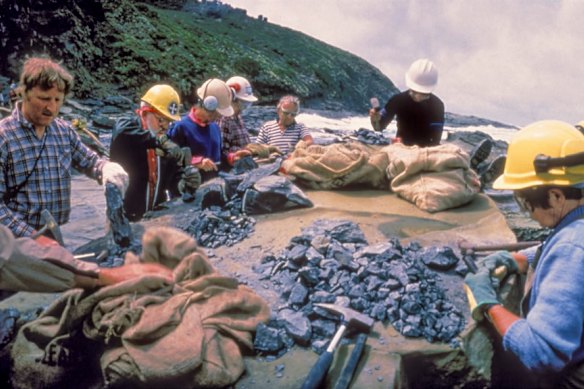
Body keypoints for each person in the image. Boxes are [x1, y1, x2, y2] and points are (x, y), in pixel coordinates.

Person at [464, 120, 584, 387]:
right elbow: (554, 245)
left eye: (524, 202)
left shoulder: (573, 248)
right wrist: (514, 258)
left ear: (555, 196)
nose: (526, 211)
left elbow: (539, 352)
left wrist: (488, 304)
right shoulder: (576, 222)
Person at [0, 57, 128, 245]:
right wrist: (35, 237)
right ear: (25, 93)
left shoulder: (63, 131)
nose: (51, 107)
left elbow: (90, 162)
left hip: (53, 236)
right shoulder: (4, 137)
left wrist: (107, 169)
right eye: (44, 99)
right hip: (13, 242)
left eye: (57, 100)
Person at [110, 84, 201, 221]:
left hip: (154, 217)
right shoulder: (128, 129)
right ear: (145, 113)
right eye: (161, 120)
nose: (165, 126)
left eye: (169, 122)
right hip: (124, 218)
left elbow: (173, 179)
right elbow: (120, 132)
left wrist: (184, 184)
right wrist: (161, 142)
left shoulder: (163, 142)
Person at [0, 225, 172, 293]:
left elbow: (82, 156)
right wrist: (101, 275)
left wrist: (102, 167)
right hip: (26, 244)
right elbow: (9, 255)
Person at [167, 78, 250, 182]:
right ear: (208, 104)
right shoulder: (180, 127)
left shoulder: (215, 127)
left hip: (212, 189)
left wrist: (232, 157)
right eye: (218, 112)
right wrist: (196, 163)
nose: (220, 116)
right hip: (188, 192)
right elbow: (169, 161)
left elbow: (219, 158)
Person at [369, 58, 445, 147]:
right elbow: (379, 128)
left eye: (424, 94)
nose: (418, 96)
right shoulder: (398, 100)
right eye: (415, 92)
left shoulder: (437, 105)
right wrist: (374, 120)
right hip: (401, 147)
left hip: (425, 150)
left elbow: (435, 140)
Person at [218, 76, 258, 156]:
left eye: (247, 105)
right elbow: (222, 152)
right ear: (232, 99)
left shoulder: (238, 117)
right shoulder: (224, 120)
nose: (243, 109)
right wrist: (246, 151)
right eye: (243, 104)